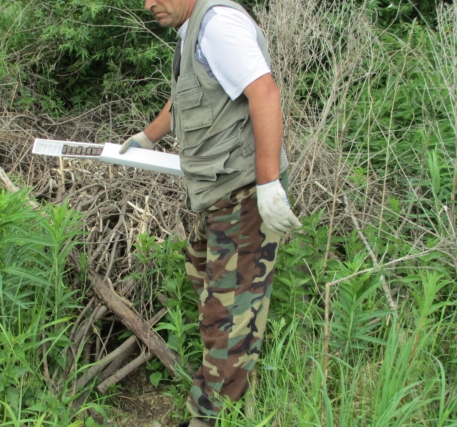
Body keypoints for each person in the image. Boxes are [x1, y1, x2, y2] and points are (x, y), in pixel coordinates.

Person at [119, 0, 301, 425]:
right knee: (207, 281)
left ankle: (210, 417)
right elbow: (185, 99)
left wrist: (269, 184)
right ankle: (229, 384)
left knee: (229, 310)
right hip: (218, 194)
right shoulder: (192, 33)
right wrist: (147, 137)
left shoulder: (218, 26)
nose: (149, 4)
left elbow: (265, 92)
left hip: (243, 193)